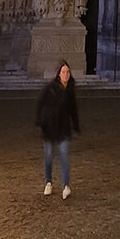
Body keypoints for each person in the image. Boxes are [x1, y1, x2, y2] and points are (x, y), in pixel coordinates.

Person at [36, 59, 80, 199]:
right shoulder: (50, 88)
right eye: (63, 72)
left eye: (67, 72)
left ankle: (66, 186)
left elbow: (73, 110)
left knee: (64, 157)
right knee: (48, 157)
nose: (66, 74)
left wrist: (76, 125)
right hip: (49, 127)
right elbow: (40, 104)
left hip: (64, 129)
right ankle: (48, 182)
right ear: (58, 74)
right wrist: (40, 122)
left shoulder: (70, 90)